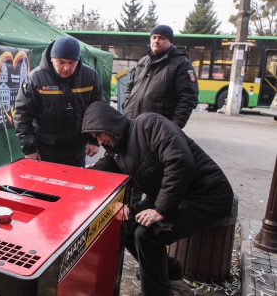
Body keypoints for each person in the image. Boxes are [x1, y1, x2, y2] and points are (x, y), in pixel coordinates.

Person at [81, 101, 234, 296]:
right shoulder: (117, 151)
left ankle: (156, 292)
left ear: (109, 125)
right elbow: (104, 175)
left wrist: (160, 210)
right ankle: (168, 270)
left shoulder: (149, 124)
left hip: (206, 196)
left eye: (98, 134)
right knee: (123, 223)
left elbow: (180, 161)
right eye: (94, 138)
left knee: (146, 235)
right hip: (171, 195)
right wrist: (85, 179)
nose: (99, 141)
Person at [14, 36, 105, 167]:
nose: (66, 68)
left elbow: (98, 109)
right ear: (52, 59)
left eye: (71, 63)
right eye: (61, 62)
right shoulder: (35, 79)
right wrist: (30, 149)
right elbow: (22, 115)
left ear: (78, 60)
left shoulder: (90, 76)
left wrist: (94, 141)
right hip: (46, 149)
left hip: (77, 150)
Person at [122, 24, 199, 129]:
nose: (156, 41)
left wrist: (175, 126)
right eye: (154, 37)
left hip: (159, 128)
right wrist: (126, 103)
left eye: (162, 38)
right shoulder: (143, 61)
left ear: (171, 42)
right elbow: (129, 86)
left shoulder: (181, 63)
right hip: (132, 123)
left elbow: (188, 98)